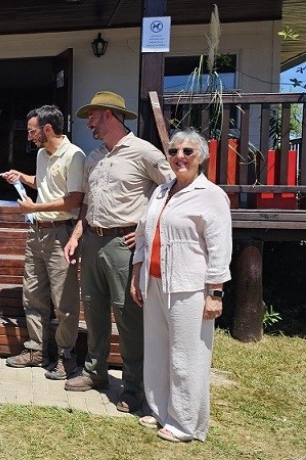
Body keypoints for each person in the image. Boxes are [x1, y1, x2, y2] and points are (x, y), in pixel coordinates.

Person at [62, 91, 173, 413]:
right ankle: (95, 372)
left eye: (92, 116)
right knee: (94, 311)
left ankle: (135, 385)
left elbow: (171, 192)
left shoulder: (145, 153)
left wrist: (145, 231)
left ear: (108, 115)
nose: (88, 122)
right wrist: (77, 235)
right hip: (93, 242)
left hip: (123, 244)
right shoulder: (95, 157)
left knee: (128, 317)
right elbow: (86, 204)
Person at [130, 129, 232, 442]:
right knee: (158, 350)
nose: (180, 157)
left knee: (187, 357)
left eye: (188, 151)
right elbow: (144, 234)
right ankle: (162, 410)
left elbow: (219, 246)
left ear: (201, 156)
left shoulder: (212, 195)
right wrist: (137, 275)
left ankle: (187, 424)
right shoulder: (161, 191)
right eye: (174, 151)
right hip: (156, 282)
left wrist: (215, 293)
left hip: (189, 288)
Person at [1, 105, 85, 380]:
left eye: (31, 131)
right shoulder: (41, 154)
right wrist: (21, 177)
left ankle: (66, 357)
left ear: (47, 129)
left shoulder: (74, 156)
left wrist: (34, 209)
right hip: (36, 233)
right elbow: (42, 182)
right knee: (33, 294)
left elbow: (74, 200)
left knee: (64, 300)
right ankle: (37, 351)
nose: (29, 136)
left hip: (61, 233)